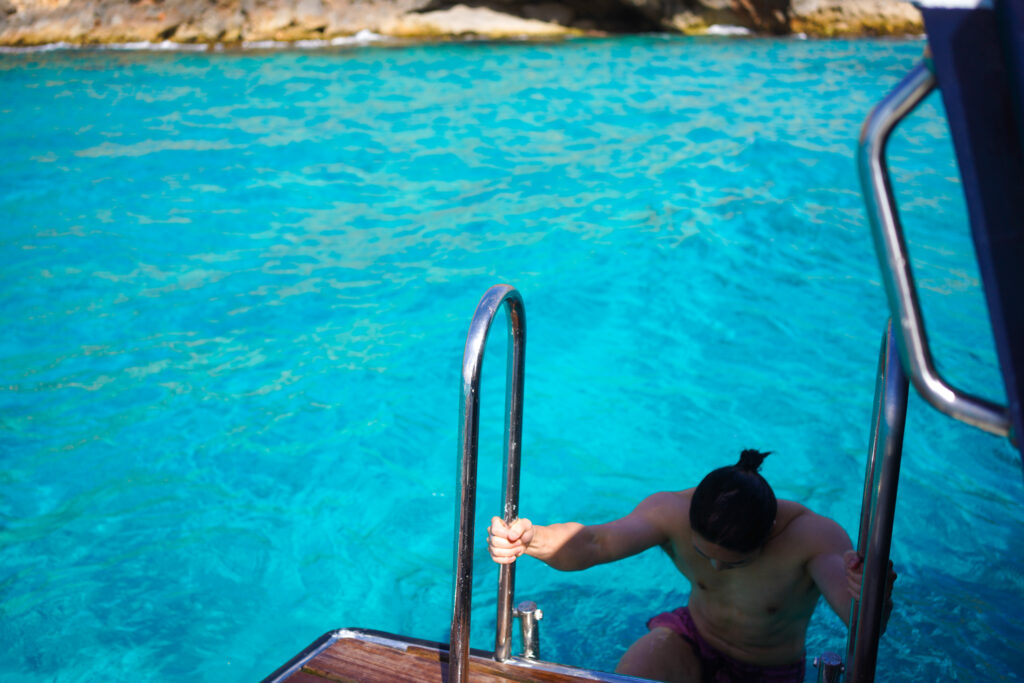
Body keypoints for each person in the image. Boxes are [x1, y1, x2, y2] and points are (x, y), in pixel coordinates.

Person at [488, 449, 893, 683]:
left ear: (768, 535)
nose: (714, 568)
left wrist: (868, 590)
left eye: (732, 563)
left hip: (767, 672)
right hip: (690, 641)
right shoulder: (671, 513)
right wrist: (531, 539)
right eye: (704, 555)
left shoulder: (812, 539)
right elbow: (595, 542)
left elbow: (861, 623)